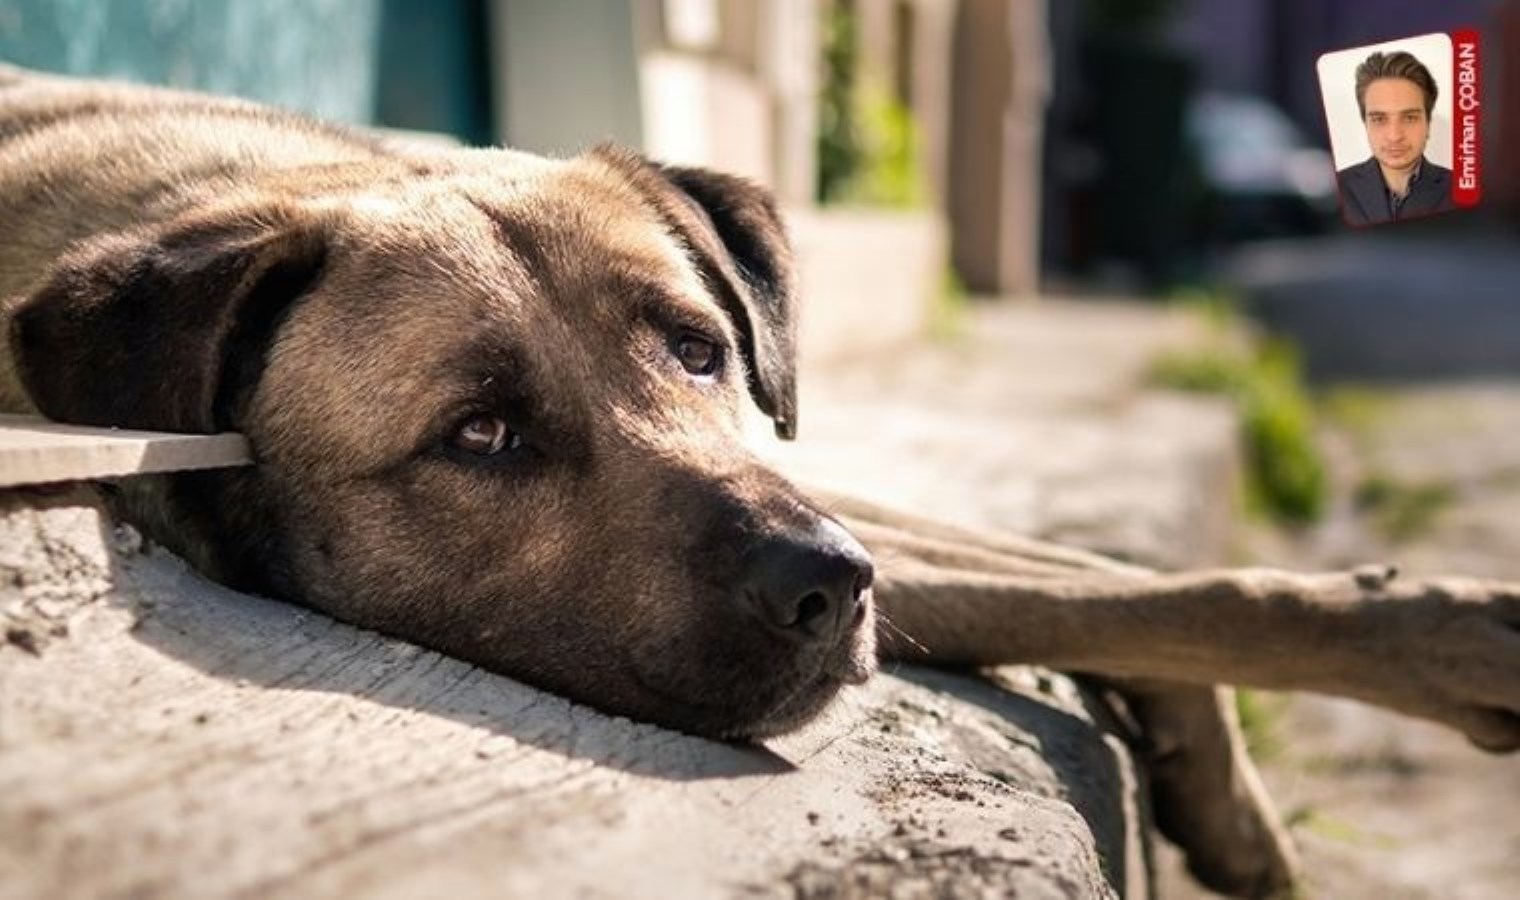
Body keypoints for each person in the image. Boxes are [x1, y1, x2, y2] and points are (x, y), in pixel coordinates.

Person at [1336, 50, 1455, 226]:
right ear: (1365, 124)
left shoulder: (1462, 188)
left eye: (1409, 118)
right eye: (1379, 119)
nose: (1394, 136)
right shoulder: (1336, 187)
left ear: (1428, 124)